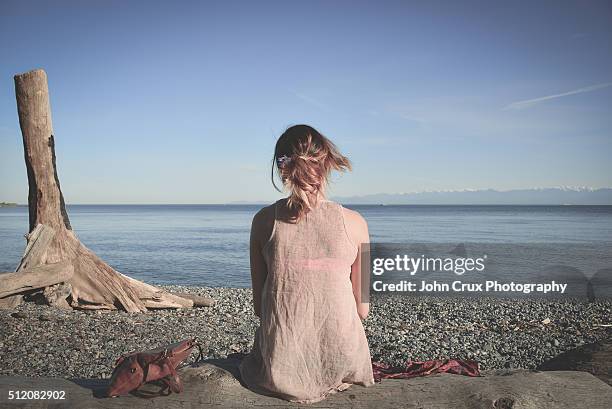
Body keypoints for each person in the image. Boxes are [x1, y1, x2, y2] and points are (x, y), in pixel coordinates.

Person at [238, 124, 375, 403]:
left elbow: (259, 307)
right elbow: (362, 310)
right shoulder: (356, 223)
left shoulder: (263, 221)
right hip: (342, 361)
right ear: (326, 164)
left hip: (279, 366)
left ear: (281, 168)